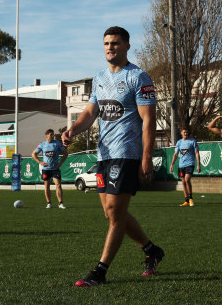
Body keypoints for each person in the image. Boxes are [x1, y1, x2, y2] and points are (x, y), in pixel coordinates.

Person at [63, 26, 164, 287]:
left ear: (127, 46)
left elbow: (149, 121)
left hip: (127, 154)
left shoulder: (139, 77)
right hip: (104, 155)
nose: (110, 47)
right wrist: (73, 129)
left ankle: (100, 272)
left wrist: (146, 156)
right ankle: (151, 250)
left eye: (116, 43)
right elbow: (89, 113)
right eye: (107, 43)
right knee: (111, 215)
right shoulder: (98, 78)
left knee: (114, 213)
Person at [32, 129, 68, 209]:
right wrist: (40, 162)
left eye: (53, 134)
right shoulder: (42, 145)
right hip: (46, 169)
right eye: (51, 134)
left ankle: (60, 203)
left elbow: (66, 152)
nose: (52, 136)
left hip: (55, 168)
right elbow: (33, 154)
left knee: (58, 185)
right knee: (47, 186)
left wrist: (60, 163)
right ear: (46, 135)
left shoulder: (57, 143)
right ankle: (49, 203)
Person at [169, 127, 201, 207]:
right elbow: (176, 154)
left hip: (190, 164)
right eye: (184, 132)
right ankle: (186, 200)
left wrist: (198, 165)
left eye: (186, 132)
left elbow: (197, 153)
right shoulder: (179, 142)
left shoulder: (192, 141)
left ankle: (191, 199)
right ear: (181, 133)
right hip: (181, 165)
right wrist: (172, 164)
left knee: (187, 180)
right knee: (183, 182)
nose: (185, 134)